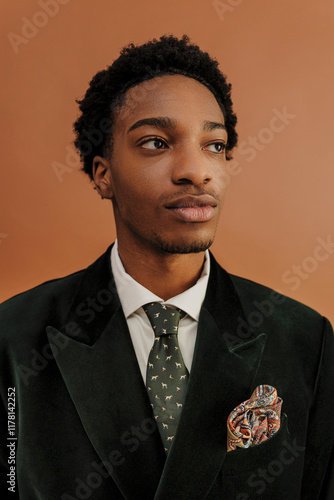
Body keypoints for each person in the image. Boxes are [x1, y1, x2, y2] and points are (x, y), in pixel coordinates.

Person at [0, 35, 333, 500]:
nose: (196, 170)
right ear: (103, 174)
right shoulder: (14, 340)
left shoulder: (305, 341)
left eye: (214, 145)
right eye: (156, 142)